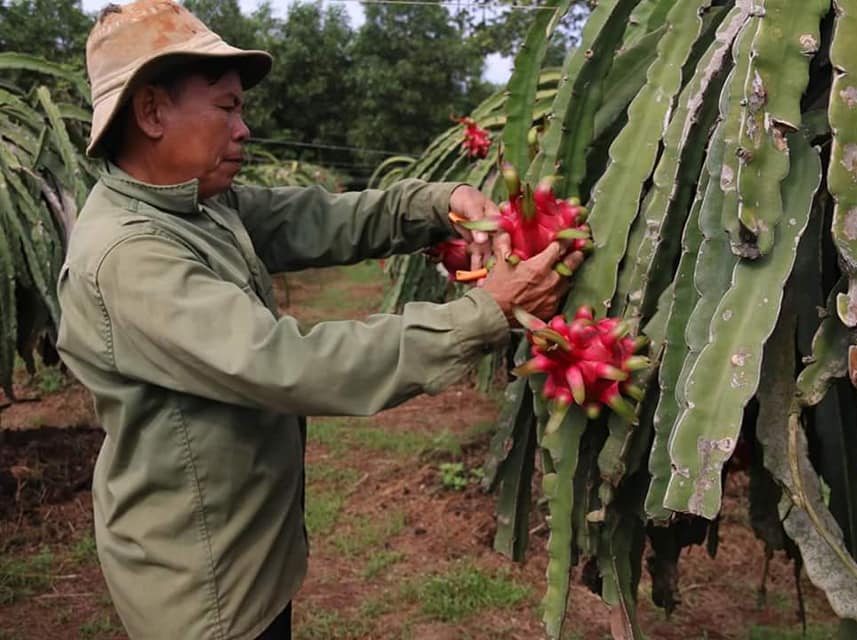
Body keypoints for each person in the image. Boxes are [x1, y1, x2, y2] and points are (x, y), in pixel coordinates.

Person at [55, 1, 583, 639]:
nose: (244, 129)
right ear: (151, 111)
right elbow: (289, 363)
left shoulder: (194, 206)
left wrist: (441, 203)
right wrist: (481, 315)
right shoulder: (129, 257)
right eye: (227, 107)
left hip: (244, 550)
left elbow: (320, 218)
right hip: (202, 591)